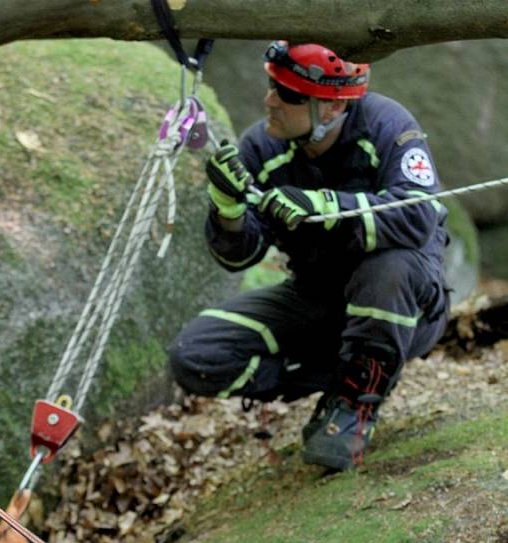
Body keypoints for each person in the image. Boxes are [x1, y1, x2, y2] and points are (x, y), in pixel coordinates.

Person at [169, 40, 450, 471]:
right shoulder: (262, 148)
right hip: (315, 298)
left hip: (404, 306)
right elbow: (237, 257)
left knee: (389, 267)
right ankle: (338, 377)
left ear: (333, 109)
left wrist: (326, 207)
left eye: (288, 94)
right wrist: (227, 210)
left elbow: (418, 219)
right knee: (194, 355)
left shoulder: (386, 125)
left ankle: (356, 403)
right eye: (271, 86)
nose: (269, 101)